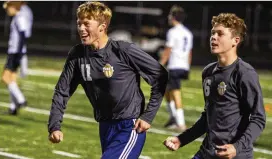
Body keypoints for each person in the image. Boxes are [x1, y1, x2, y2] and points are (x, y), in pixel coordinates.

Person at [47, 2, 168, 159]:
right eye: (79, 24)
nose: (81, 29)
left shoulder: (123, 50)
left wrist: (147, 116)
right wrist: (54, 126)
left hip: (129, 127)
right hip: (105, 127)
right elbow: (62, 91)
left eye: (86, 24)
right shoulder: (77, 55)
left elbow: (160, 75)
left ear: (102, 26)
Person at [163, 13, 266, 159]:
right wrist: (182, 139)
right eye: (212, 33)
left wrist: (237, 147)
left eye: (220, 34)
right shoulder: (208, 72)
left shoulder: (244, 73)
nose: (213, 37)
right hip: (207, 152)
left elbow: (258, 118)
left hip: (235, 155)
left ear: (235, 41)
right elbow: (208, 117)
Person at [160, 5, 193, 131]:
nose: (168, 17)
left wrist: (160, 64)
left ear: (173, 17)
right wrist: (187, 66)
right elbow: (190, 52)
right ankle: (173, 118)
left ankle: (181, 123)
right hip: (183, 65)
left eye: (170, 15)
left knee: (175, 92)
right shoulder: (187, 33)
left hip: (175, 65)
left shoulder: (173, 32)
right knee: (166, 91)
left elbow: (168, 50)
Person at [1, 1, 33, 115]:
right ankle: (13, 107)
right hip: (16, 52)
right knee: (12, 79)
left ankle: (21, 100)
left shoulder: (19, 17)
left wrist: (19, 53)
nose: (7, 10)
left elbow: (23, 35)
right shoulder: (17, 17)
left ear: (14, 6)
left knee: (5, 78)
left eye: (9, 7)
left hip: (15, 52)